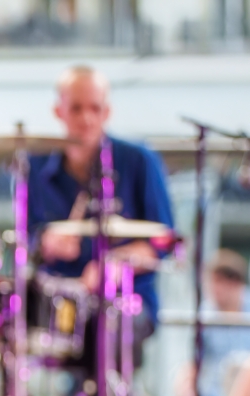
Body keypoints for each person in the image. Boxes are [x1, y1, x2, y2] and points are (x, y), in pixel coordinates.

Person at [29, 65, 175, 377]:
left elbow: (163, 240)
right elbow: (23, 240)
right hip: (57, 302)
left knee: (107, 328)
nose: (86, 118)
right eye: (76, 108)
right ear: (59, 111)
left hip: (126, 301)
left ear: (107, 111)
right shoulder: (34, 165)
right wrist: (45, 243)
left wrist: (112, 265)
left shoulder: (138, 161)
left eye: (95, 108)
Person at [198, 250, 250, 396]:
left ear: (235, 283)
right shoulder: (206, 313)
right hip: (217, 394)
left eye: (219, 283)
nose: (214, 290)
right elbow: (197, 360)